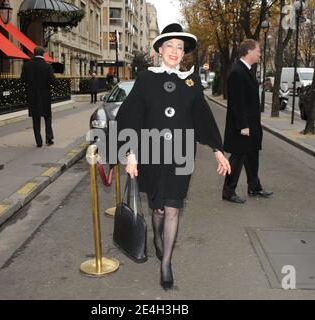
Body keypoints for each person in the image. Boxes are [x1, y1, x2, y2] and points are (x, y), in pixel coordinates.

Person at [115, 23, 231, 291]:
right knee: (158, 207)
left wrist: (217, 150)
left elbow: (203, 117)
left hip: (181, 156)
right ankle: (157, 235)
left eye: (180, 47)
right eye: (170, 46)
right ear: (160, 50)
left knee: (173, 207)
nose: (176, 51)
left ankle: (166, 262)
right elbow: (130, 116)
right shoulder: (146, 79)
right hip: (152, 154)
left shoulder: (190, 82)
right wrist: (130, 154)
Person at [222, 39, 273, 204]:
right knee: (237, 159)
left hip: (252, 125)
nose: (259, 53)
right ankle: (228, 192)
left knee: (252, 157)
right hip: (242, 127)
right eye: (258, 50)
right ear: (249, 51)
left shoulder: (247, 70)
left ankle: (254, 187)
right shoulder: (237, 72)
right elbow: (237, 103)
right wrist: (243, 126)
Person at [21, 46, 56, 147]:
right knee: (47, 118)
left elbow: (23, 79)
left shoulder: (27, 66)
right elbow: (53, 81)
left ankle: (38, 141)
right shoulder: (47, 66)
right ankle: (49, 139)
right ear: (43, 54)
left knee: (35, 119)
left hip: (32, 96)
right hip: (45, 95)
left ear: (34, 53)